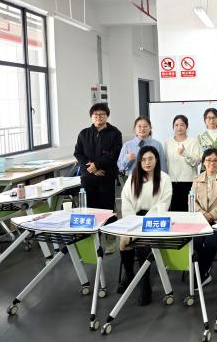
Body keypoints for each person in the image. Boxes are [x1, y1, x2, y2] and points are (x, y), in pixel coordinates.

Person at [118, 146, 172, 305]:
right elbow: (126, 200)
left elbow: (163, 204)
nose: (147, 163)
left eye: (150, 159)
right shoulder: (133, 177)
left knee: (142, 244)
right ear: (139, 161)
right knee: (123, 241)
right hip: (134, 218)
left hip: (154, 220)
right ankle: (129, 274)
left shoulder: (164, 179)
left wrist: (145, 223)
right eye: (143, 160)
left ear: (156, 159)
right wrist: (133, 221)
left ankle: (145, 283)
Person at [74, 103, 122, 254]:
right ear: (91, 116)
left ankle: (110, 239)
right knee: (90, 209)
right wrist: (92, 168)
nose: (98, 117)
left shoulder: (115, 133)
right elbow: (78, 153)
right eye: (95, 114)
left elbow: (114, 154)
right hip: (89, 177)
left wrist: (98, 165)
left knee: (107, 208)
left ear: (107, 116)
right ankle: (94, 239)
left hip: (107, 176)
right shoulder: (84, 133)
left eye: (102, 114)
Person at [192, 148, 217, 287]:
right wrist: (203, 214)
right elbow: (191, 201)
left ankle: (201, 274)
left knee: (210, 241)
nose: (212, 163)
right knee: (196, 241)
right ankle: (202, 273)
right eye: (208, 160)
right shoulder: (197, 179)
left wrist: (212, 215)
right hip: (201, 219)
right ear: (203, 162)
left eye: (215, 160)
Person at [165, 115, 201, 211]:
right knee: (174, 211)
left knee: (189, 210)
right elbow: (165, 161)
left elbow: (196, 161)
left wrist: (185, 153)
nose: (179, 127)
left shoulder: (193, 142)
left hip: (188, 182)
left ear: (186, 127)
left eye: (182, 125)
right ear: (173, 127)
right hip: (172, 182)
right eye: (176, 125)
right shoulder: (168, 142)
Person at [197, 108, 217, 172]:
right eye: (209, 118)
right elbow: (198, 157)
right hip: (205, 171)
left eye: (214, 117)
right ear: (205, 120)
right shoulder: (200, 137)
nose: (212, 120)